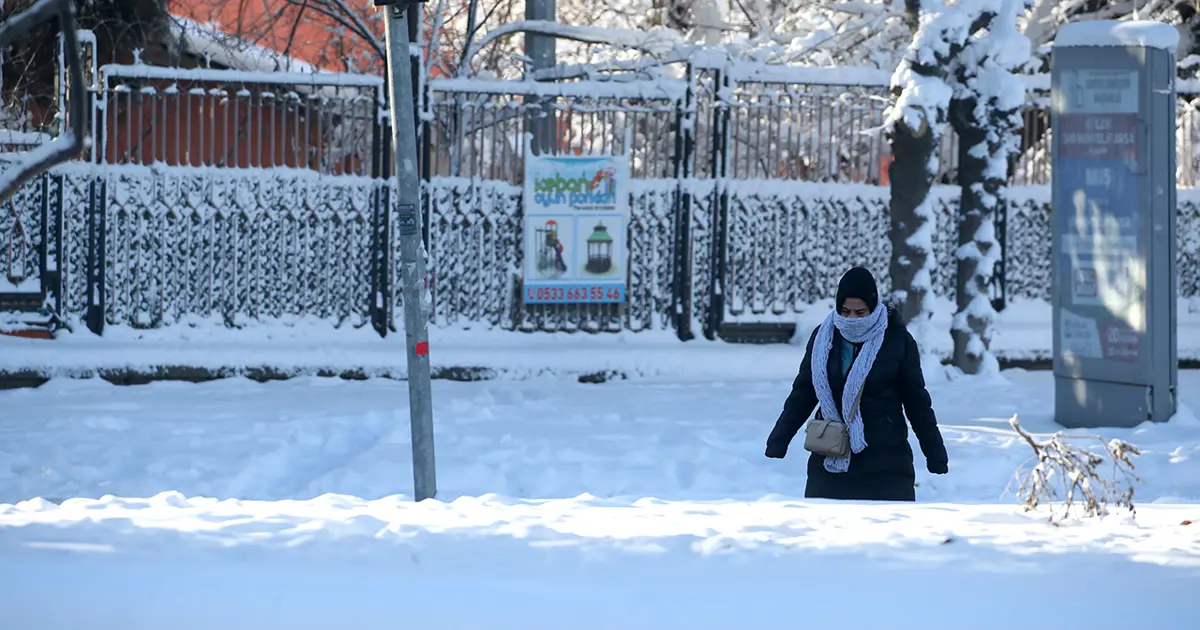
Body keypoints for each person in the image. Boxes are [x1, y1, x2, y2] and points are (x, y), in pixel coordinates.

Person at [765, 266, 948, 501]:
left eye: (860, 312)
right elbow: (803, 392)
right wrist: (779, 440)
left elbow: (917, 402)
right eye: (845, 311)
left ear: (872, 307)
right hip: (830, 457)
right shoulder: (823, 338)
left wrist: (935, 453)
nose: (851, 318)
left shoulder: (896, 340)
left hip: (885, 461)